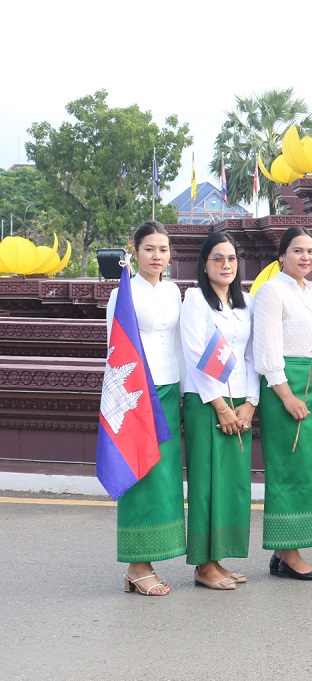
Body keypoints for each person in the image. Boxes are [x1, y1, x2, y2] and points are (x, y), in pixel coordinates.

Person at [253, 225, 312, 580]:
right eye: (297, 250)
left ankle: (283, 550)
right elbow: (267, 349)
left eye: (310, 251)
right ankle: (290, 552)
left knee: (308, 468)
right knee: (289, 467)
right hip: (284, 386)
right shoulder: (271, 292)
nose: (305, 257)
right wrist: (285, 395)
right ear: (281, 255)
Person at [109, 222, 185, 596]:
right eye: (150, 249)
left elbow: (180, 344)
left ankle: (144, 564)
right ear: (135, 251)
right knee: (140, 474)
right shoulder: (122, 293)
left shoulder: (173, 292)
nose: (157, 256)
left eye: (164, 249)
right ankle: (138, 565)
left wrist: (186, 390)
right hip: (137, 395)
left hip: (170, 390)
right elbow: (114, 350)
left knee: (164, 477)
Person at [179, 230, 257, 591]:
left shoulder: (246, 303)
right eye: (218, 259)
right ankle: (203, 564)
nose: (226, 265)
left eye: (232, 258)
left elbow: (252, 356)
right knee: (207, 483)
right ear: (205, 264)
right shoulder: (195, 299)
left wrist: (250, 403)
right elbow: (196, 353)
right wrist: (221, 407)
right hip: (207, 402)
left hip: (239, 403)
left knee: (231, 484)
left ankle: (219, 558)